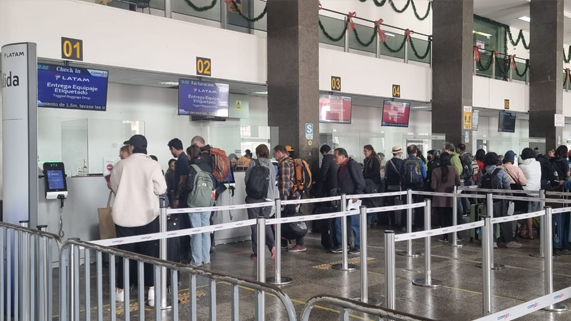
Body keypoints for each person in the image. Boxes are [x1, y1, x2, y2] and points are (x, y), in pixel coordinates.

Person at [110, 135, 166, 307]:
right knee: (149, 255)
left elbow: (113, 186)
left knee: (125, 254)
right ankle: (151, 291)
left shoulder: (121, 165)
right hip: (147, 217)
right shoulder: (152, 164)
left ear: (132, 147)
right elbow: (161, 188)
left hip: (123, 218)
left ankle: (121, 291)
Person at [480, 152, 522, 248]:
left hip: (487, 199)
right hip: (500, 199)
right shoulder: (500, 171)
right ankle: (509, 241)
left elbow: (479, 185)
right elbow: (506, 186)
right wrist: (510, 197)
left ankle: (492, 241)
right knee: (504, 219)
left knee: (489, 219)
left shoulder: (482, 172)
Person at [331, 148, 366, 255]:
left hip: (352, 199)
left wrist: (358, 193)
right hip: (343, 197)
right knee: (339, 222)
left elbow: (360, 181)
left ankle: (357, 246)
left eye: (336, 156)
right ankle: (342, 245)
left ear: (343, 156)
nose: (334, 159)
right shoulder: (341, 167)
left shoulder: (352, 165)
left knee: (355, 223)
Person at [245, 144, 276, 260]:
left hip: (254, 198)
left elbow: (247, 179)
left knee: (255, 225)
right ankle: (272, 246)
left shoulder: (254, 163)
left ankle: (257, 252)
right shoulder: (271, 165)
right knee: (265, 222)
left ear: (257, 152)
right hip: (269, 198)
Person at [185, 145, 215, 267]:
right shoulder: (207, 166)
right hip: (207, 202)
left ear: (190, 155)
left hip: (195, 203)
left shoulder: (192, 168)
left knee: (196, 231)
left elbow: (189, 186)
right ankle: (206, 258)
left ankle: (196, 261)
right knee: (206, 230)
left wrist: (182, 189)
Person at [273, 145, 306, 252]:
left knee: (290, 219)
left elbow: (285, 183)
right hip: (296, 194)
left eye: (274, 153)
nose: (274, 156)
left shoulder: (284, 164)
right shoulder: (292, 162)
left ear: (279, 152)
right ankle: (285, 242)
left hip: (290, 196)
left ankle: (299, 243)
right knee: (291, 218)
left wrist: (284, 200)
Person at [168, 138, 192, 262]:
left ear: (173, 148)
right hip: (184, 197)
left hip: (182, 198)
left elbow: (182, 179)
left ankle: (184, 253)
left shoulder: (182, 160)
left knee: (183, 225)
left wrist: (177, 197)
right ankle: (185, 252)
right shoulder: (184, 159)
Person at [431, 152, 461, 242]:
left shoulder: (435, 171)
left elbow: (433, 186)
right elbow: (458, 183)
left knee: (442, 218)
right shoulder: (454, 169)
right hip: (451, 198)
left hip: (439, 199)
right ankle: (457, 235)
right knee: (452, 217)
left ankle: (445, 237)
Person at [400, 145, 427, 228]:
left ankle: (404, 225)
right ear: (416, 152)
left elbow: (400, 173)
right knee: (418, 206)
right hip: (418, 186)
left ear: (408, 152)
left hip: (406, 187)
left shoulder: (404, 162)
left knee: (406, 206)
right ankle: (418, 225)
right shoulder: (420, 162)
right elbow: (424, 175)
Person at [519, 148, 541, 239]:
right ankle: (522, 231)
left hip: (526, 191)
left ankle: (530, 234)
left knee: (528, 213)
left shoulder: (521, 166)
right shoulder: (538, 163)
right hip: (537, 191)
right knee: (530, 213)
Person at [500, 150, 528, 216]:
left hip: (502, 193)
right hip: (515, 194)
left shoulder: (498, 168)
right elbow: (524, 182)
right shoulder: (517, 169)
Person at [362, 145, 382, 225]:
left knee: (372, 201)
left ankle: (370, 220)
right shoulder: (366, 160)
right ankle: (374, 219)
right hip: (368, 182)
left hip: (374, 182)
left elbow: (376, 172)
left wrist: (365, 175)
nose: (364, 153)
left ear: (370, 151)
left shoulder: (374, 159)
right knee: (371, 201)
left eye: (366, 151)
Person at [386, 146, 404, 227]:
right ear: (399, 153)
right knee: (400, 204)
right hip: (399, 186)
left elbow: (386, 174)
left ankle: (391, 221)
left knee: (390, 205)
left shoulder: (388, 162)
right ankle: (399, 221)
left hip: (390, 187)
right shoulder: (402, 162)